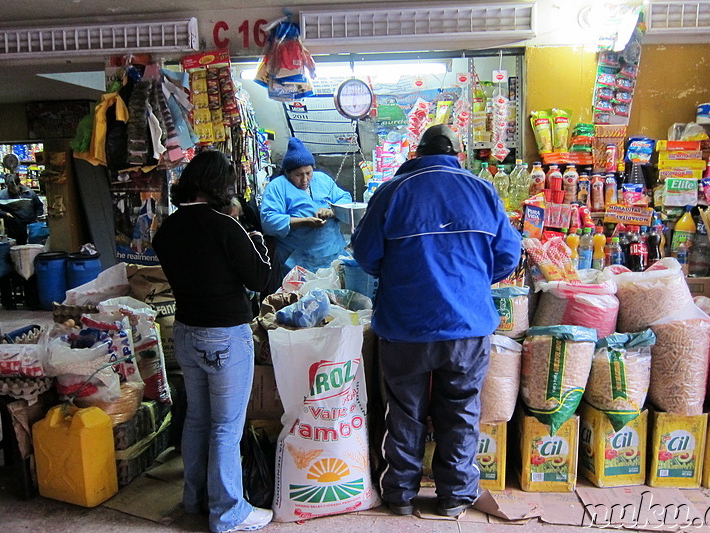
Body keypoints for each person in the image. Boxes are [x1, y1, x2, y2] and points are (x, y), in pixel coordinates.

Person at [351, 125, 521, 518]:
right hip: (467, 326)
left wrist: (401, 275)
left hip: (405, 327)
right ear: (458, 153)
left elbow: (365, 254)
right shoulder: (482, 191)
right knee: (461, 412)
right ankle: (455, 497)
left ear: (418, 152)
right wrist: (472, 282)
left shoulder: (392, 192)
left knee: (404, 413)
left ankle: (400, 497)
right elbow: (509, 256)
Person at [151, 150, 273, 533]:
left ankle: (194, 498)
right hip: (224, 336)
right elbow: (261, 280)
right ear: (221, 186)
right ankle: (228, 512)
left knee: (198, 419)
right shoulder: (224, 226)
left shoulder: (167, 229)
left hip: (186, 331)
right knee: (226, 426)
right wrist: (257, 241)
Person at [260, 137, 351, 288]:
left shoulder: (322, 179)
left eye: (308, 173)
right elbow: (269, 221)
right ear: (287, 173)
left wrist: (332, 211)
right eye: (298, 174)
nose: (305, 179)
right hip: (300, 262)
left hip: (333, 255)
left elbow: (345, 199)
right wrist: (303, 222)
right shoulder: (277, 187)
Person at [0, 174, 44, 245]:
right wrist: (5, 214)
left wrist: (37, 220)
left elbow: (39, 206)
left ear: (19, 184)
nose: (12, 190)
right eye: (10, 188)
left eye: (14, 187)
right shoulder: (1, 195)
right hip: (13, 228)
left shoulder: (29, 193)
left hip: (31, 226)